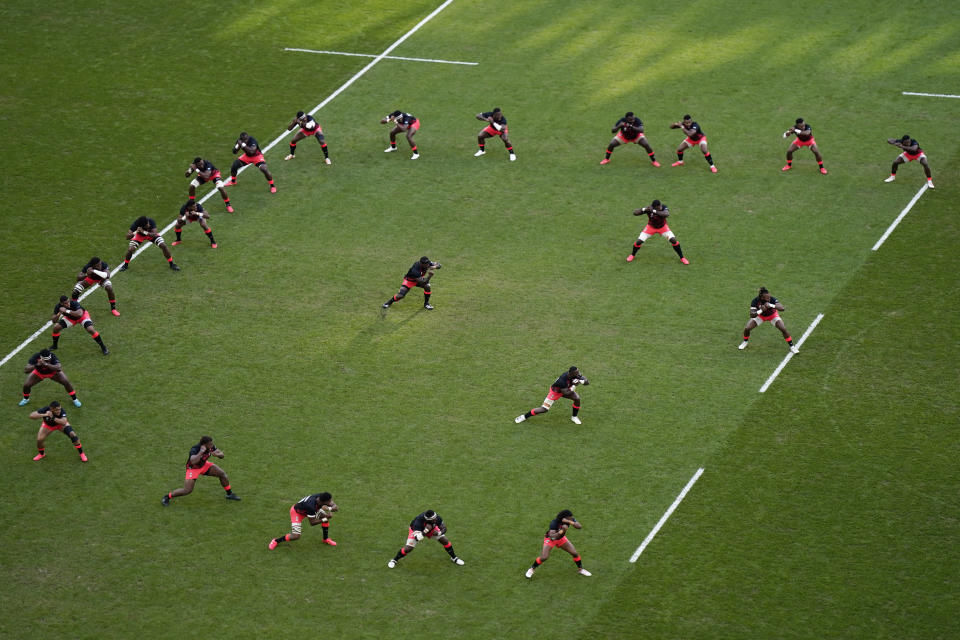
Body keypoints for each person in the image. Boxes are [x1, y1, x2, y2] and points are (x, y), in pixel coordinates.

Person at [162, 436, 240, 505]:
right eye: (210, 444)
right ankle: (167, 497)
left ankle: (229, 494)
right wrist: (201, 452)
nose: (212, 445)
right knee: (187, 490)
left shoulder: (211, 447)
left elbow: (222, 455)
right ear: (204, 445)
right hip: (193, 469)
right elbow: (193, 461)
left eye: (212, 444)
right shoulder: (195, 449)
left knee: (222, 474)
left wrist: (218, 455)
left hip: (204, 465)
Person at [525, 509, 591, 578]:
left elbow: (579, 526)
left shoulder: (569, 520)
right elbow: (553, 537)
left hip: (561, 539)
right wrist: (562, 531)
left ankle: (580, 570)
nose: (572, 518)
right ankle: (531, 569)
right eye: (570, 517)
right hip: (550, 539)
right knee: (544, 557)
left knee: (574, 553)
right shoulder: (554, 523)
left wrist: (569, 521)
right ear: (564, 517)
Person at [387, 510, 464, 568]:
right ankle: (394, 560)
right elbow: (418, 538)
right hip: (419, 531)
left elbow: (444, 528)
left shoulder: (437, 518)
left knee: (445, 540)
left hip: (431, 529)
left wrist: (438, 533)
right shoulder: (418, 522)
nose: (435, 520)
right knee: (408, 548)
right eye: (433, 519)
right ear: (428, 520)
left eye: (435, 517)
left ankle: (454, 558)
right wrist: (426, 531)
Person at [515, 366, 589, 425]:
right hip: (556, 392)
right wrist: (574, 385)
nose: (578, 374)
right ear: (571, 373)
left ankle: (574, 417)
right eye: (576, 373)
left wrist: (582, 381)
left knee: (577, 399)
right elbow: (566, 393)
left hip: (566, 389)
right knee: (544, 409)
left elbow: (587, 382)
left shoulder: (576, 375)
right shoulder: (562, 380)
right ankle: (524, 417)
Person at [626, 199, 689, 264]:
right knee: (639, 241)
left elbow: (666, 214)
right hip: (651, 227)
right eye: (658, 207)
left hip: (663, 227)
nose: (660, 207)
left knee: (673, 240)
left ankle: (682, 258)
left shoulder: (663, 207)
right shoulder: (649, 208)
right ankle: (632, 255)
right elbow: (635, 213)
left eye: (660, 206)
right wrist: (643, 209)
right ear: (654, 207)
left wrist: (654, 211)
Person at [268, 492, 339, 549]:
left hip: (311, 510)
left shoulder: (320, 497)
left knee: (325, 519)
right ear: (324, 502)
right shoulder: (311, 506)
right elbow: (312, 523)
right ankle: (276, 541)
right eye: (329, 501)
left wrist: (331, 508)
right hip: (297, 513)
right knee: (295, 536)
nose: (331, 502)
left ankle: (325, 539)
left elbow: (335, 507)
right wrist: (326, 518)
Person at [739, 287, 799, 353]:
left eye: (769, 297)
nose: (769, 298)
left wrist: (771, 305)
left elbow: (782, 308)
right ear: (762, 298)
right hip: (760, 316)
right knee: (747, 328)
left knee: (783, 328)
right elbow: (752, 315)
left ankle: (792, 346)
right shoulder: (755, 301)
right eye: (767, 298)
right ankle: (745, 342)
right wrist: (761, 310)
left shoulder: (772, 299)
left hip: (772, 316)